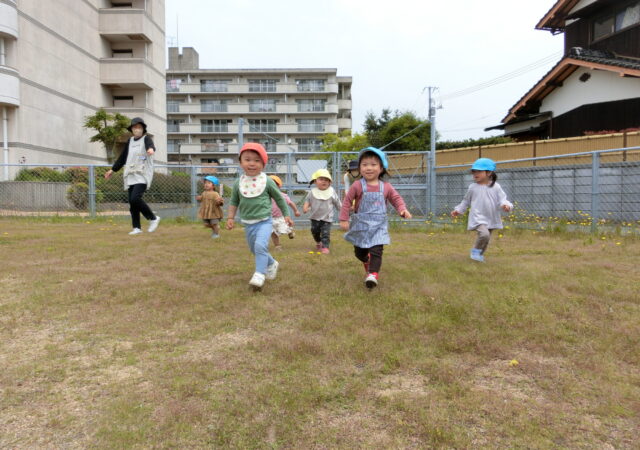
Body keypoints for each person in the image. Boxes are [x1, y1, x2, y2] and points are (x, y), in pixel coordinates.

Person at [339, 147, 412, 289]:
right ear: (360, 168)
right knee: (359, 253)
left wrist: (402, 209)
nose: (368, 168)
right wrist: (343, 218)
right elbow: (347, 201)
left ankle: (372, 275)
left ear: (381, 168)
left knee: (377, 250)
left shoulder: (386, 187)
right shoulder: (357, 185)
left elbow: (396, 199)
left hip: (378, 226)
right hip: (360, 225)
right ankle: (366, 261)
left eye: (373, 165)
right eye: (364, 165)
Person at [226, 143, 293, 291]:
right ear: (240, 162)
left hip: (264, 221)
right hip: (248, 223)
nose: (252, 163)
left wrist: (286, 215)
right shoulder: (238, 183)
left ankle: (259, 274)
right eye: (247, 159)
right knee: (255, 250)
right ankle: (271, 263)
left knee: (260, 246)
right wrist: (230, 217)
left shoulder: (267, 181)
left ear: (263, 164)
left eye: (257, 160)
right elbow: (234, 201)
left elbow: (280, 198)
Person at [104, 117, 160, 235]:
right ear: (132, 129)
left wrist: (150, 150)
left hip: (142, 174)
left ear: (143, 129)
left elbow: (151, 146)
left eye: (139, 127)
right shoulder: (130, 141)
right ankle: (136, 228)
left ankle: (153, 218)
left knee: (135, 198)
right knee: (132, 202)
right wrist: (112, 170)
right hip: (131, 175)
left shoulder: (146, 139)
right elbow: (123, 157)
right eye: (135, 127)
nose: (137, 129)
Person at [451, 158, 513, 262]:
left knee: (486, 239)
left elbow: (503, 199)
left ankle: (478, 257)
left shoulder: (496, 187)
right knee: (484, 234)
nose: (475, 173)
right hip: (477, 217)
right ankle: (475, 252)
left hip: (491, 217)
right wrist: (458, 210)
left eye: (479, 171)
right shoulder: (472, 187)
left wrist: (506, 206)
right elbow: (466, 201)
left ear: (489, 173)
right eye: (474, 171)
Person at [303, 169, 342, 254]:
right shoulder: (312, 192)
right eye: (321, 179)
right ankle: (318, 242)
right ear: (315, 181)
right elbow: (307, 201)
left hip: (327, 218)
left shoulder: (331, 192)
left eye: (326, 180)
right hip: (315, 217)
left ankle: (325, 247)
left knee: (325, 233)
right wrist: (305, 208)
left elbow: (337, 202)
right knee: (314, 231)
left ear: (329, 182)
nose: (324, 182)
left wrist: (342, 211)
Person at [269, 175, 301, 250]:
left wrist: (296, 210)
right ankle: (277, 246)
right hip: (270, 218)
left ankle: (290, 232)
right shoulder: (265, 197)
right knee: (273, 232)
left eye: (273, 185)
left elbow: (290, 203)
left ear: (278, 186)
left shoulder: (283, 196)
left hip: (281, 217)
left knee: (285, 227)